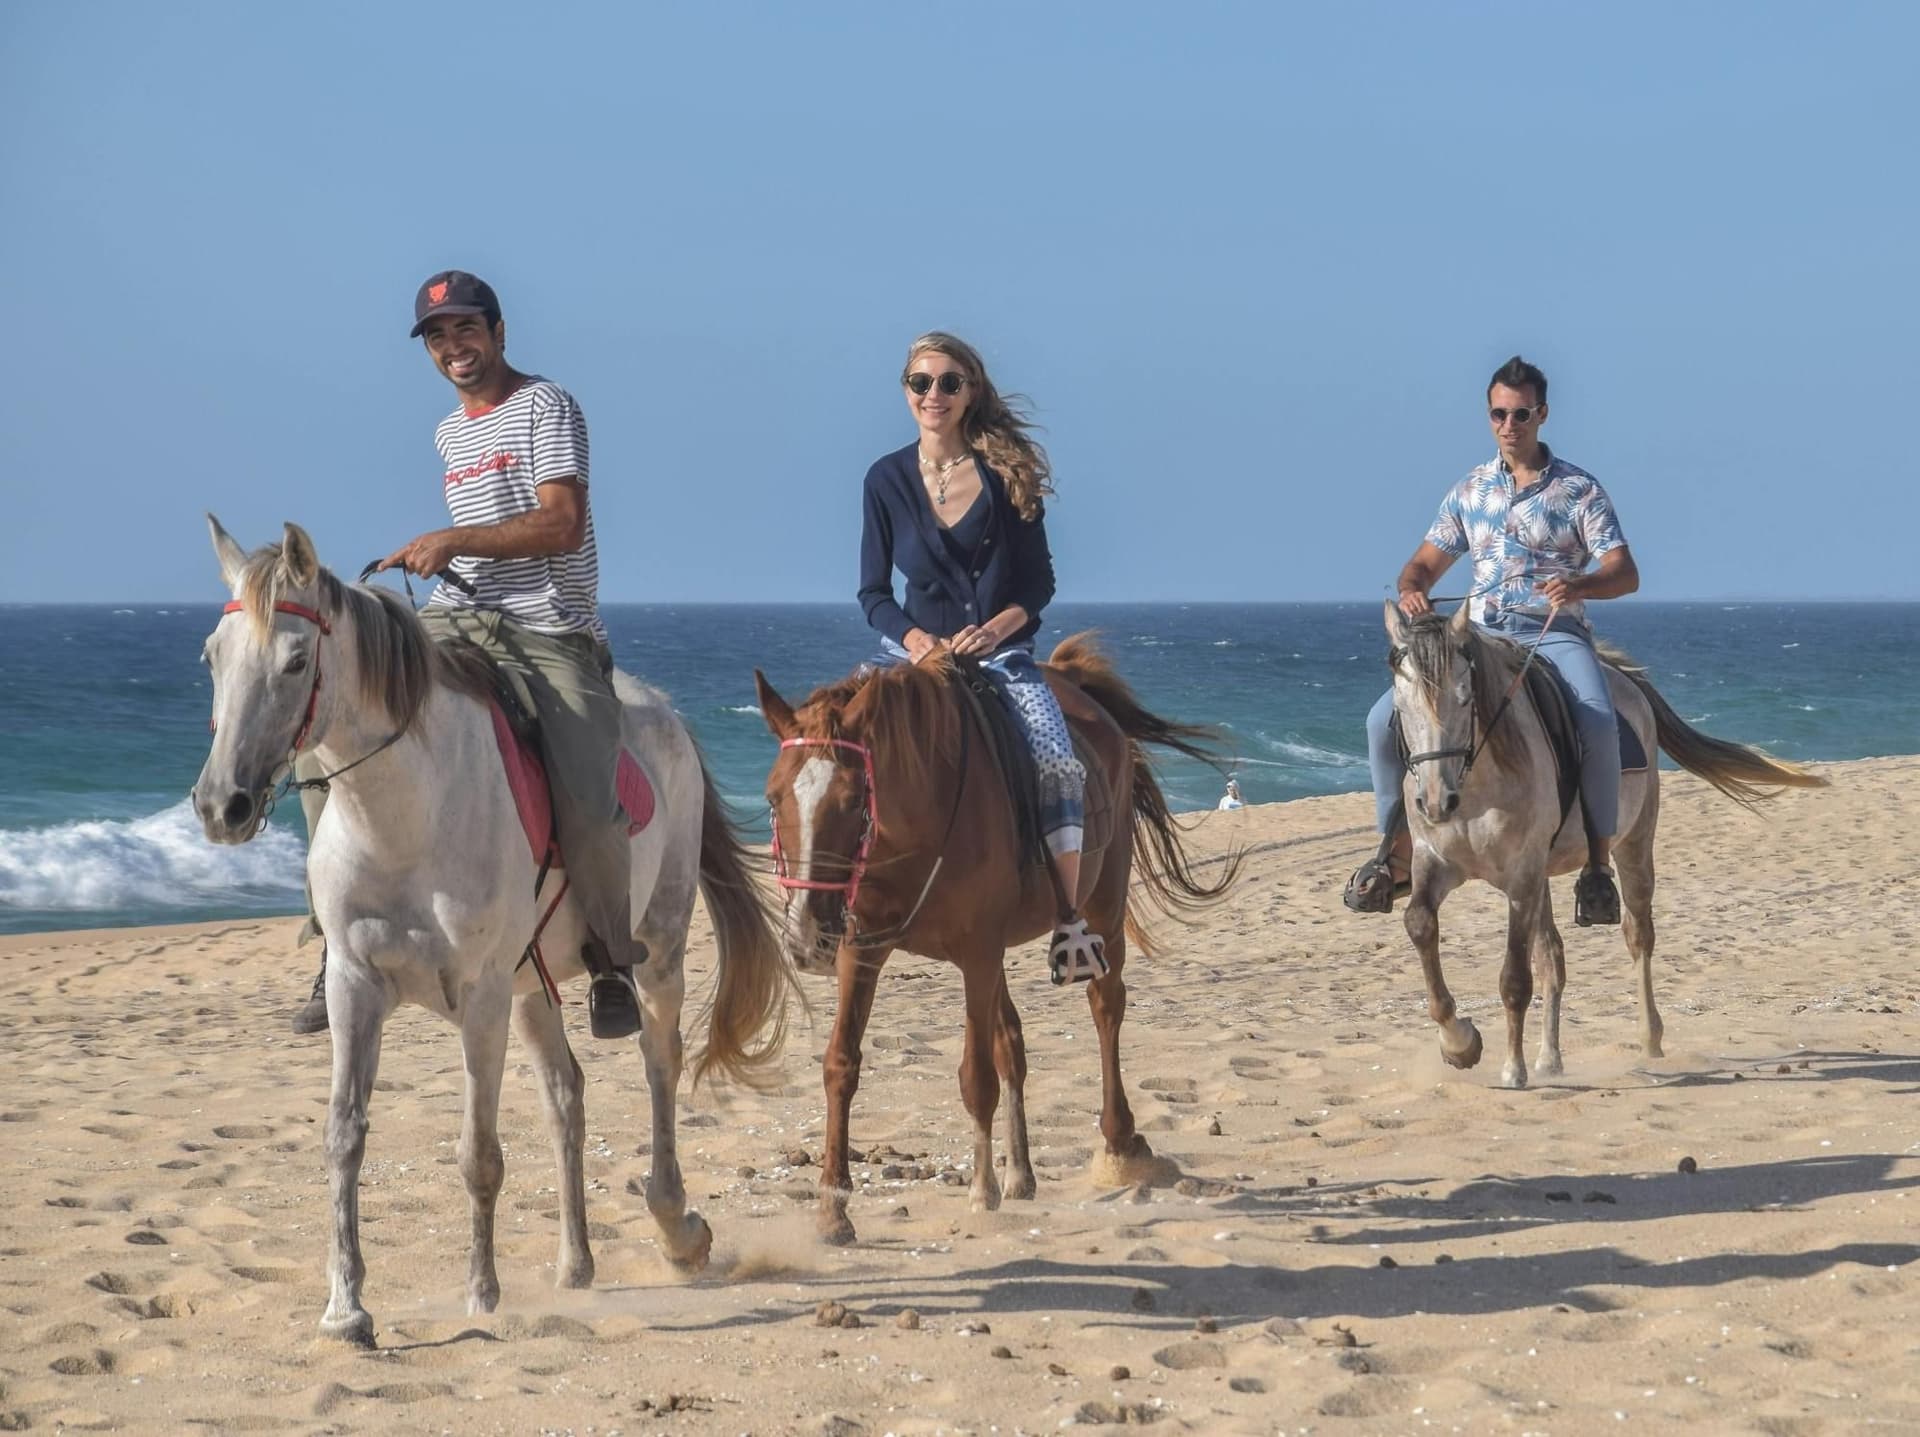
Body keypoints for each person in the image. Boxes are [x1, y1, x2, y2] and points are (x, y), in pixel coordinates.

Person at [290, 269, 644, 1040]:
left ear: (499, 330)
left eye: (466, 329)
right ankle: (331, 944)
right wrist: (445, 560)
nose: (455, 347)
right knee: (327, 735)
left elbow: (559, 524)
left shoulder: (544, 406)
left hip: (550, 628)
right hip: (458, 619)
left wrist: (450, 539)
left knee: (587, 794)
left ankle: (613, 960)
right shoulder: (450, 431)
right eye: (438, 336)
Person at [1344, 355, 1639, 926]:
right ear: (1490, 417)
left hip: (1551, 634)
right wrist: (1412, 592)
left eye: (1521, 413)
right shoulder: (1469, 490)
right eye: (1499, 414)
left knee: (1599, 720)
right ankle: (1394, 854)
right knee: (1382, 722)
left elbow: (1625, 573)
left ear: (1542, 414)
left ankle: (1597, 866)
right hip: (1479, 637)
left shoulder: (1579, 490)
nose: (1510, 425)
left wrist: (1580, 584)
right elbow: (1420, 567)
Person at [856, 331, 1104, 984]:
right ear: (905, 391)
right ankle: (839, 898)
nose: (932, 395)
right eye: (920, 382)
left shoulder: (1006, 471)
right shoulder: (883, 479)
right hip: (911, 659)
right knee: (832, 751)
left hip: (1000, 659)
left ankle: (1069, 915)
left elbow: (1039, 583)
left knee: (1056, 758)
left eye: (947, 383)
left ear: (970, 393)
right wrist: (919, 643)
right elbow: (873, 593)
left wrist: (993, 632)